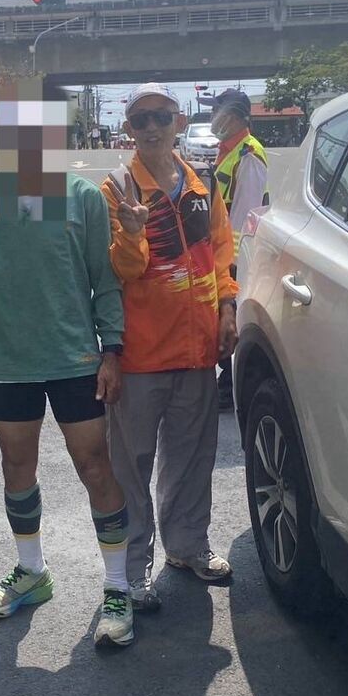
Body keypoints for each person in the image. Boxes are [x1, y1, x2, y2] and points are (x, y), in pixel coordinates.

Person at [0, 81, 134, 648]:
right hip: (11, 361)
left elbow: (104, 280)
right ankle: (32, 571)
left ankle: (117, 586)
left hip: (75, 358)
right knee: (16, 466)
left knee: (95, 467)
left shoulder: (82, 196)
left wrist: (112, 351)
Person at [100, 84, 238, 612]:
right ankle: (132, 571)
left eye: (161, 117)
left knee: (192, 456)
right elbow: (121, 270)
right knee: (130, 467)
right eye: (141, 120)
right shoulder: (116, 189)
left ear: (179, 122)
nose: (152, 127)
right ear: (129, 130)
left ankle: (187, 545)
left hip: (198, 349)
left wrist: (228, 307)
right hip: (141, 353)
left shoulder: (203, 184)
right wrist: (132, 233)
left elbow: (221, 251)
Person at [202, 88, 269, 409]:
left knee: (233, 319)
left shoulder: (248, 154)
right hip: (223, 250)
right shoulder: (228, 151)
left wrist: (232, 263)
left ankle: (230, 387)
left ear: (235, 117)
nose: (214, 119)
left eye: (219, 114)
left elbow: (246, 212)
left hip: (236, 255)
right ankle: (226, 380)